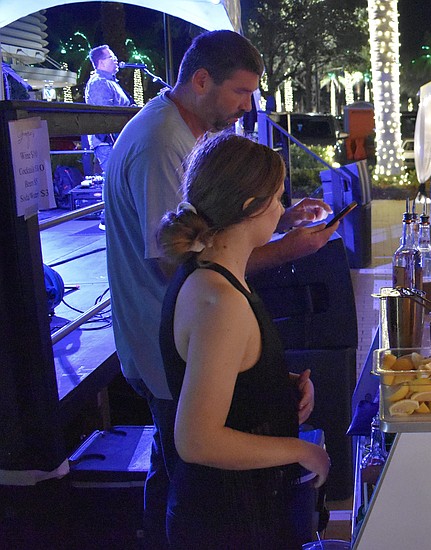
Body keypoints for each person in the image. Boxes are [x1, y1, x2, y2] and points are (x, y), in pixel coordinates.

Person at [104, 30, 337, 549]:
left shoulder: (215, 282)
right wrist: (291, 248)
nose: (246, 106)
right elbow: (199, 440)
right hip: (221, 505)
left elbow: (211, 246)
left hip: (178, 345)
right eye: (239, 93)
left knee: (176, 477)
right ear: (201, 79)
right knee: (177, 482)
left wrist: (276, 386)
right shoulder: (163, 144)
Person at [157, 133, 329, 548]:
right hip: (229, 521)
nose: (283, 209)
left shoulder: (210, 273)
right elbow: (198, 440)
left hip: (239, 509)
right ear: (251, 207)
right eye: (279, 198)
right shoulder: (221, 302)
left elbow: (219, 372)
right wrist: (301, 451)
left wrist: (273, 382)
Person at [84, 45, 133, 172]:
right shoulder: (99, 82)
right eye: (111, 57)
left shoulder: (110, 82)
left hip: (116, 142)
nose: (116, 59)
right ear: (101, 62)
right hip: (108, 144)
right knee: (117, 178)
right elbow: (104, 116)